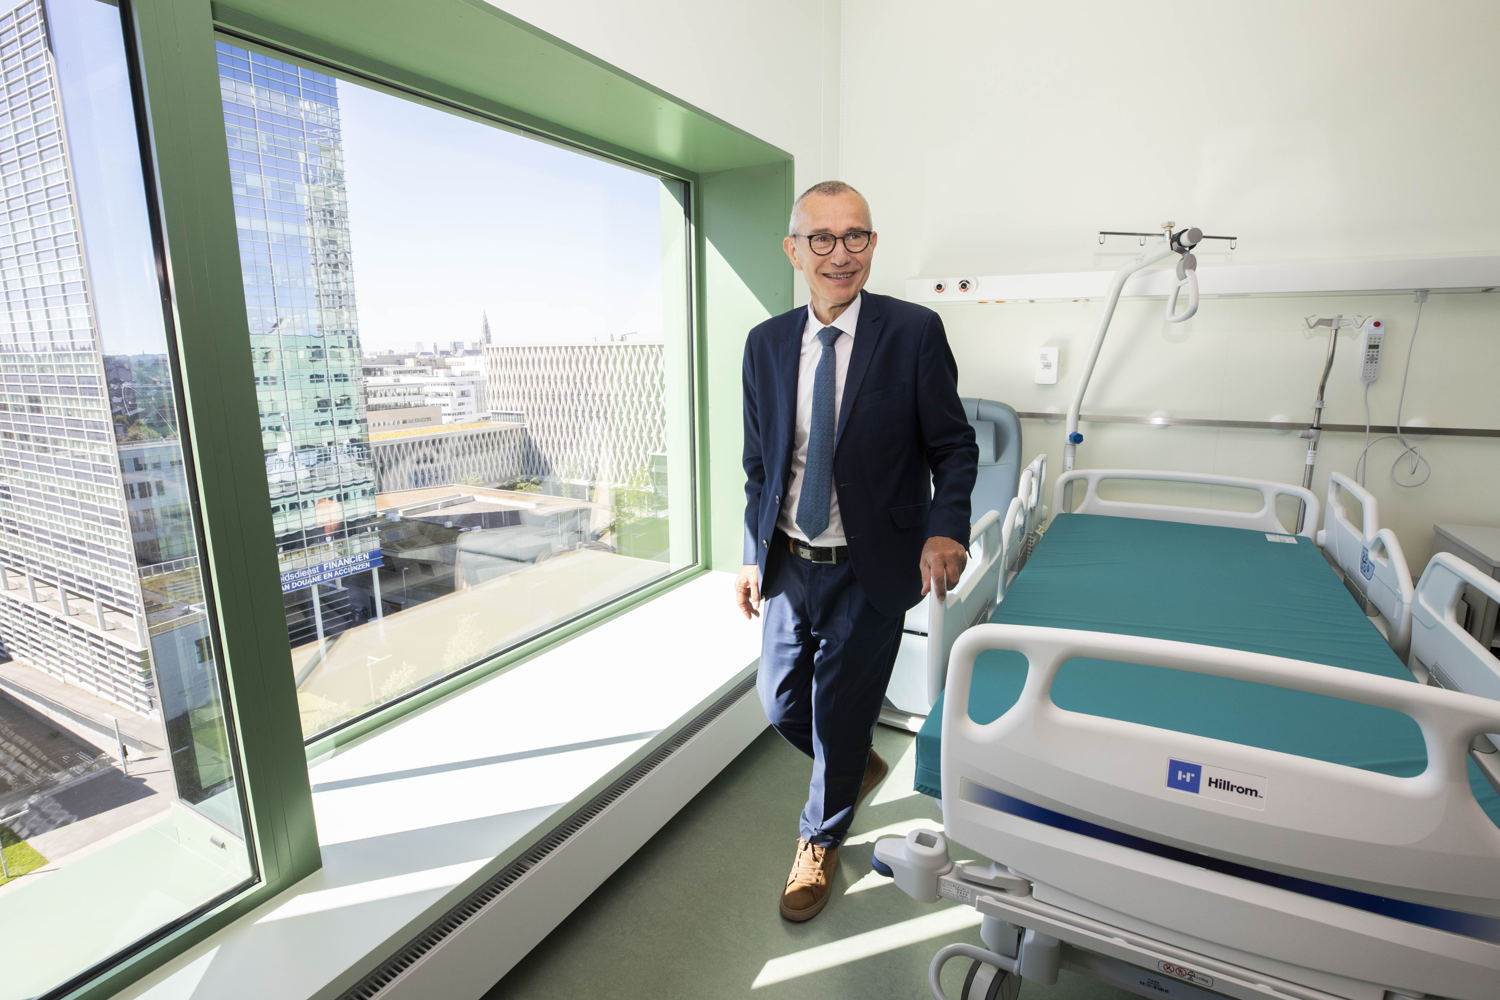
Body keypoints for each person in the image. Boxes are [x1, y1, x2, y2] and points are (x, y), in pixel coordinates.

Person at [736, 180, 978, 921]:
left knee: (840, 713)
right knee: (780, 701)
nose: (840, 255)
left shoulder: (912, 332)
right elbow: (759, 466)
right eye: (822, 238)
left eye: (856, 237)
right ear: (793, 249)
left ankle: (819, 839)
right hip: (788, 562)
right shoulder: (767, 344)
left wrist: (946, 529)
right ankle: (853, 767)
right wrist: (752, 553)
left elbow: (953, 445)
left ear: (872, 244)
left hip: (870, 568)